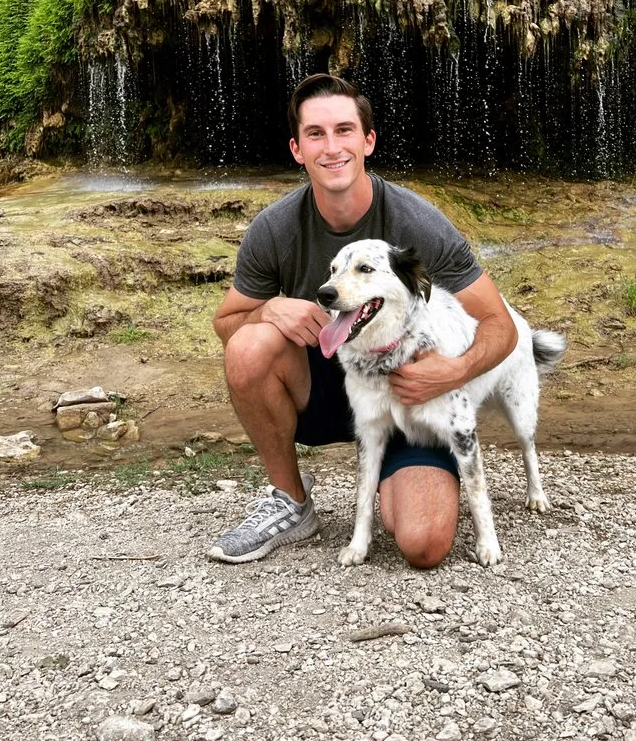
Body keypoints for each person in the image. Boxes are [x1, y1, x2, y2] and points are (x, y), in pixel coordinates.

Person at [209, 73, 518, 568]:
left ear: (368, 140)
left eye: (344, 130)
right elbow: (227, 324)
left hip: (413, 394)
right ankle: (290, 500)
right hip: (330, 384)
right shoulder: (275, 227)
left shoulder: (417, 222)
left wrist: (455, 371)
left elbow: (499, 326)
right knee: (248, 345)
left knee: (425, 543)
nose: (331, 147)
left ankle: (406, 481)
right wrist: (267, 309)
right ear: (297, 149)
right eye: (316, 134)